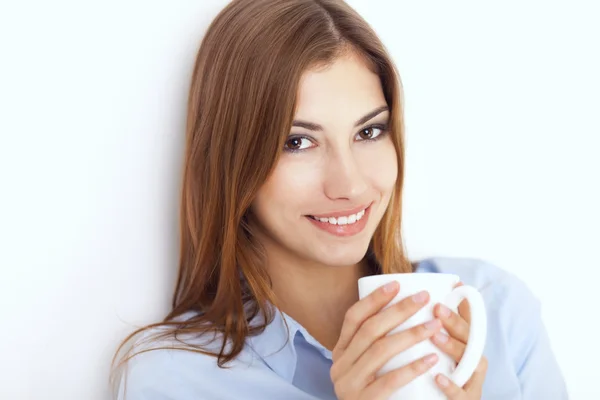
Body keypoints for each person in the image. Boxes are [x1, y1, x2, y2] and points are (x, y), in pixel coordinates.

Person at [111, 0, 568, 399]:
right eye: (297, 142)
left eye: (369, 132)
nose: (348, 184)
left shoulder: (495, 309)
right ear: (233, 160)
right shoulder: (177, 377)